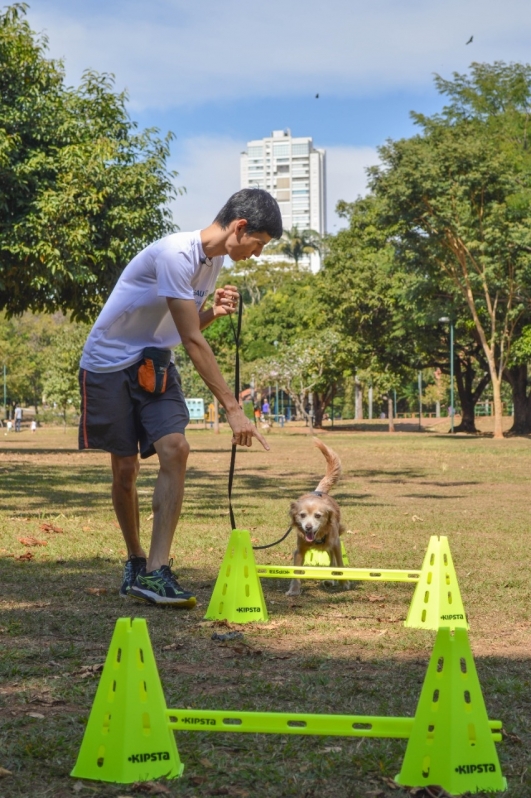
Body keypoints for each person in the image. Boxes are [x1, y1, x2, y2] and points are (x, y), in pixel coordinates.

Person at [78, 189, 283, 608]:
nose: (258, 254)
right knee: (125, 470)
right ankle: (135, 560)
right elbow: (191, 339)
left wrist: (212, 314)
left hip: (154, 361)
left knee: (176, 448)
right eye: (259, 244)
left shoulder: (215, 261)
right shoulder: (175, 254)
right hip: (110, 362)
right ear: (240, 227)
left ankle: (156, 571)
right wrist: (232, 408)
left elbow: (178, 328)